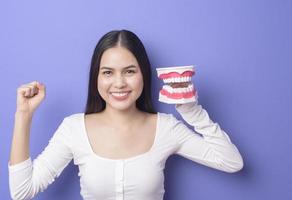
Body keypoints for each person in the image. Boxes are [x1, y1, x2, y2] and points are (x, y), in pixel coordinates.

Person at [8, 29, 244, 200]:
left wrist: (191, 111)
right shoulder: (74, 129)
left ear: (143, 74)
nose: (119, 83)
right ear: (96, 78)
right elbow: (22, 192)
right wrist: (23, 115)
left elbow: (231, 162)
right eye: (108, 72)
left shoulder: (165, 128)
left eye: (129, 71)